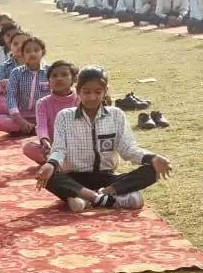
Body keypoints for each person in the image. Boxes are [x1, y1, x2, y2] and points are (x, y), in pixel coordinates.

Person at [37, 66, 173, 213]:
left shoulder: (116, 115)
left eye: (98, 92)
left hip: (108, 178)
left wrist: (152, 158)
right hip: (74, 178)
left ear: (105, 91)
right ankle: (99, 197)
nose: (92, 97)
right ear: (78, 91)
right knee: (49, 176)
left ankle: (96, 196)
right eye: (86, 92)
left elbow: (128, 149)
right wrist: (51, 164)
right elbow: (59, 149)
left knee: (152, 170)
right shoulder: (64, 116)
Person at [24, 61, 79, 165]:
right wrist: (44, 140)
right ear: (48, 82)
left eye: (64, 74)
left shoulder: (79, 99)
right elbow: (41, 126)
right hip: (54, 146)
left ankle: (56, 163)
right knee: (28, 148)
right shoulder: (42, 103)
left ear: (73, 79)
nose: (59, 78)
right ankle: (56, 161)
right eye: (54, 76)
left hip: (78, 145)